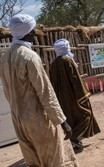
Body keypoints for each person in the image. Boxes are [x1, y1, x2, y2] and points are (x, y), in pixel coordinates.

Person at [0, 14, 78, 166]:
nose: (35, 33)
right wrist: (62, 122)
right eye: (33, 30)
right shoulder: (30, 57)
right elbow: (45, 92)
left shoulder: (4, 58)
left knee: (34, 161)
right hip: (39, 120)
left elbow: (8, 91)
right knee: (56, 160)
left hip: (19, 120)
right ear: (28, 33)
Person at [49, 39, 101, 151]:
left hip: (61, 98)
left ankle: (75, 141)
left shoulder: (53, 64)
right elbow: (76, 80)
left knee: (70, 118)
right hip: (73, 97)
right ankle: (74, 138)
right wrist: (84, 96)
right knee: (86, 114)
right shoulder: (67, 60)